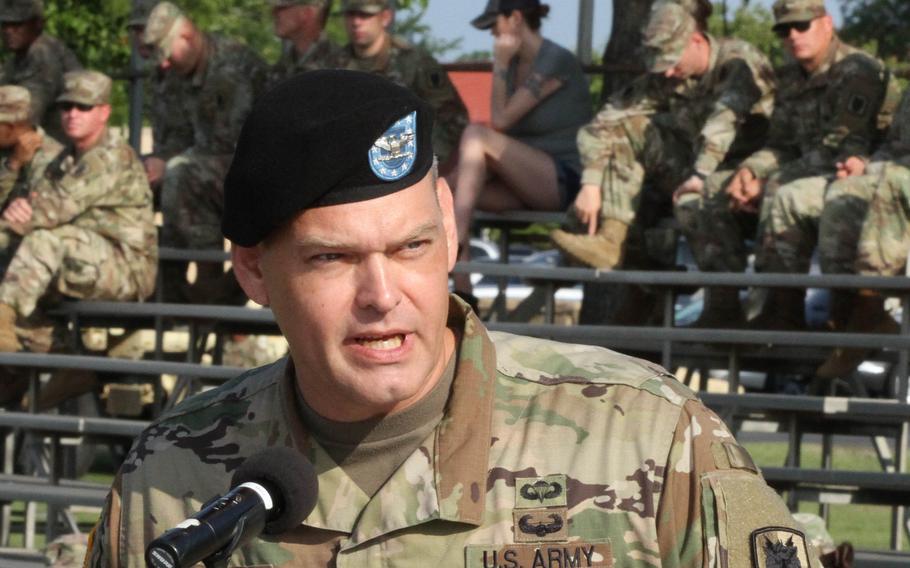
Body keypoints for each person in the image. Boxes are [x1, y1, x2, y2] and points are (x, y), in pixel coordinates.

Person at [86, 70, 819, 568]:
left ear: (450, 229)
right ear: (253, 270)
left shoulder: (648, 437)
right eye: (333, 261)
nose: (383, 294)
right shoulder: (175, 477)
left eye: (411, 246)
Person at [674, 0, 897, 330]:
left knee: (784, 193)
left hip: (853, 179)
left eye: (801, 25)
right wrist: (750, 172)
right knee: (700, 196)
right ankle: (722, 307)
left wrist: (768, 179)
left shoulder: (856, 71)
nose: (792, 35)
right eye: (784, 29)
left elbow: (845, 149)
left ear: (826, 24)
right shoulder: (791, 77)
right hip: (802, 175)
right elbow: (780, 144)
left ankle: (784, 311)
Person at [551, 0, 774, 279]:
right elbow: (605, 122)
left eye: (672, 61)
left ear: (695, 40)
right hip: (693, 170)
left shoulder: (737, 62)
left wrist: (700, 174)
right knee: (630, 130)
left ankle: (720, 303)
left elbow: (723, 122)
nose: (667, 73)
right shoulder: (668, 77)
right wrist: (591, 184)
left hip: (747, 175)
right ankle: (612, 241)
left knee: (690, 199)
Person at [0, 70, 157, 354]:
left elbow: (49, 210)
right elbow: (34, 203)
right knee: (15, 264)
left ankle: (2, 326)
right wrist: (18, 211)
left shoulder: (110, 156)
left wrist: (22, 215)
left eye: (84, 107)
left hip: (126, 267)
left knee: (42, 242)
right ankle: (61, 365)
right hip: (83, 259)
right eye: (66, 106)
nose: (73, 114)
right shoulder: (64, 158)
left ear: (104, 112)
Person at [452, 0, 592, 300]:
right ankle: (464, 294)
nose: (492, 35)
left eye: (494, 25)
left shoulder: (554, 60)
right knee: (448, 190)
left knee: (476, 136)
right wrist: (505, 64)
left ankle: (456, 241)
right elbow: (500, 123)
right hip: (524, 183)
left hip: (564, 180)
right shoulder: (514, 63)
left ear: (515, 19)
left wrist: (499, 63)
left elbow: (499, 122)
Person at [142, 1, 267, 302]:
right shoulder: (177, 73)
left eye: (167, 53)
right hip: (206, 165)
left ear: (186, 35)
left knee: (182, 175)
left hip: (250, 167)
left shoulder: (231, 66)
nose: (164, 65)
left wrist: (169, 161)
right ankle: (159, 283)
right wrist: (157, 160)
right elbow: (178, 133)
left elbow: (229, 141)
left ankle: (209, 278)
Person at [328, 0, 468, 170]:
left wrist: (427, 163)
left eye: (365, 15)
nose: (356, 22)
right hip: (351, 160)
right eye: (351, 15)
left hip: (408, 159)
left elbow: (453, 120)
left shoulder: (415, 62)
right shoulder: (333, 64)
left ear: (385, 17)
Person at [124, 0, 194, 189]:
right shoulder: (157, 75)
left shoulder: (189, 68)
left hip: (194, 167)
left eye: (145, 29)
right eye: (137, 30)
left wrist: (167, 163)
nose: (143, 37)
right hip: (166, 162)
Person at [0, 0, 81, 143]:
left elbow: (24, 119)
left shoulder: (42, 54)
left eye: (17, 24)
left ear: (38, 24)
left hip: (55, 150)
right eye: (5, 24)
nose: (8, 30)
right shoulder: (18, 57)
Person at [267, 0, 340, 86]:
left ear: (308, 12)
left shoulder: (339, 67)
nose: (274, 13)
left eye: (282, 8)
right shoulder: (283, 66)